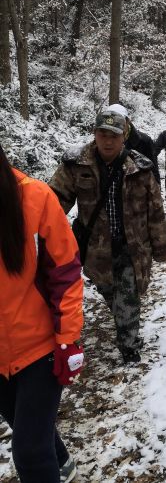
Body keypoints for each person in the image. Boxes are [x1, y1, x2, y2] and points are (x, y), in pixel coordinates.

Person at [50, 110, 166, 364]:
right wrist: (39, 230)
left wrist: (161, 248)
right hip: (95, 250)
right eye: (102, 134)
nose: (107, 141)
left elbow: (155, 211)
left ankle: (129, 346)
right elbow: (53, 201)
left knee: (128, 296)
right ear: (94, 134)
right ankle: (126, 325)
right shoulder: (76, 164)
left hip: (132, 246)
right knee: (109, 292)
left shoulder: (140, 167)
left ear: (123, 137)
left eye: (114, 136)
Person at [0, 143, 84, 483]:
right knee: (25, 425)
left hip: (40, 346)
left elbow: (64, 273)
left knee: (29, 453)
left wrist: (67, 340)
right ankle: (61, 460)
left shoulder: (34, 198)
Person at [107, 103, 160, 184]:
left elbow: (153, 170)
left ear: (127, 121)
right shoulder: (102, 142)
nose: (116, 125)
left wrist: (156, 191)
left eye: (119, 120)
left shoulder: (144, 141)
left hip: (138, 191)